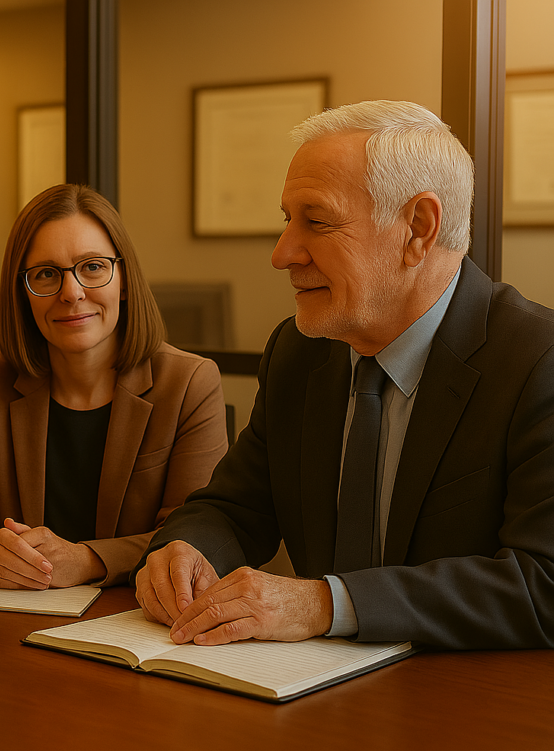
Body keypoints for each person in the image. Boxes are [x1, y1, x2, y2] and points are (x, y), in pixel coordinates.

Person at [134, 100, 554, 650]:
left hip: (470, 708)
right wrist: (186, 549)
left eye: (317, 221)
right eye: (287, 220)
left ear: (418, 229)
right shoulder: (299, 351)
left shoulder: (537, 360)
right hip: (307, 694)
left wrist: (323, 603)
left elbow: (542, 584)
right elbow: (234, 507)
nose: (282, 254)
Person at [0, 184, 228, 589]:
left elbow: (197, 535)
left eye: (92, 267)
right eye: (45, 274)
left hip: (135, 617)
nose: (71, 292)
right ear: (23, 294)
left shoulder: (189, 382)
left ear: (123, 280)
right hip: (16, 612)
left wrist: (89, 559)